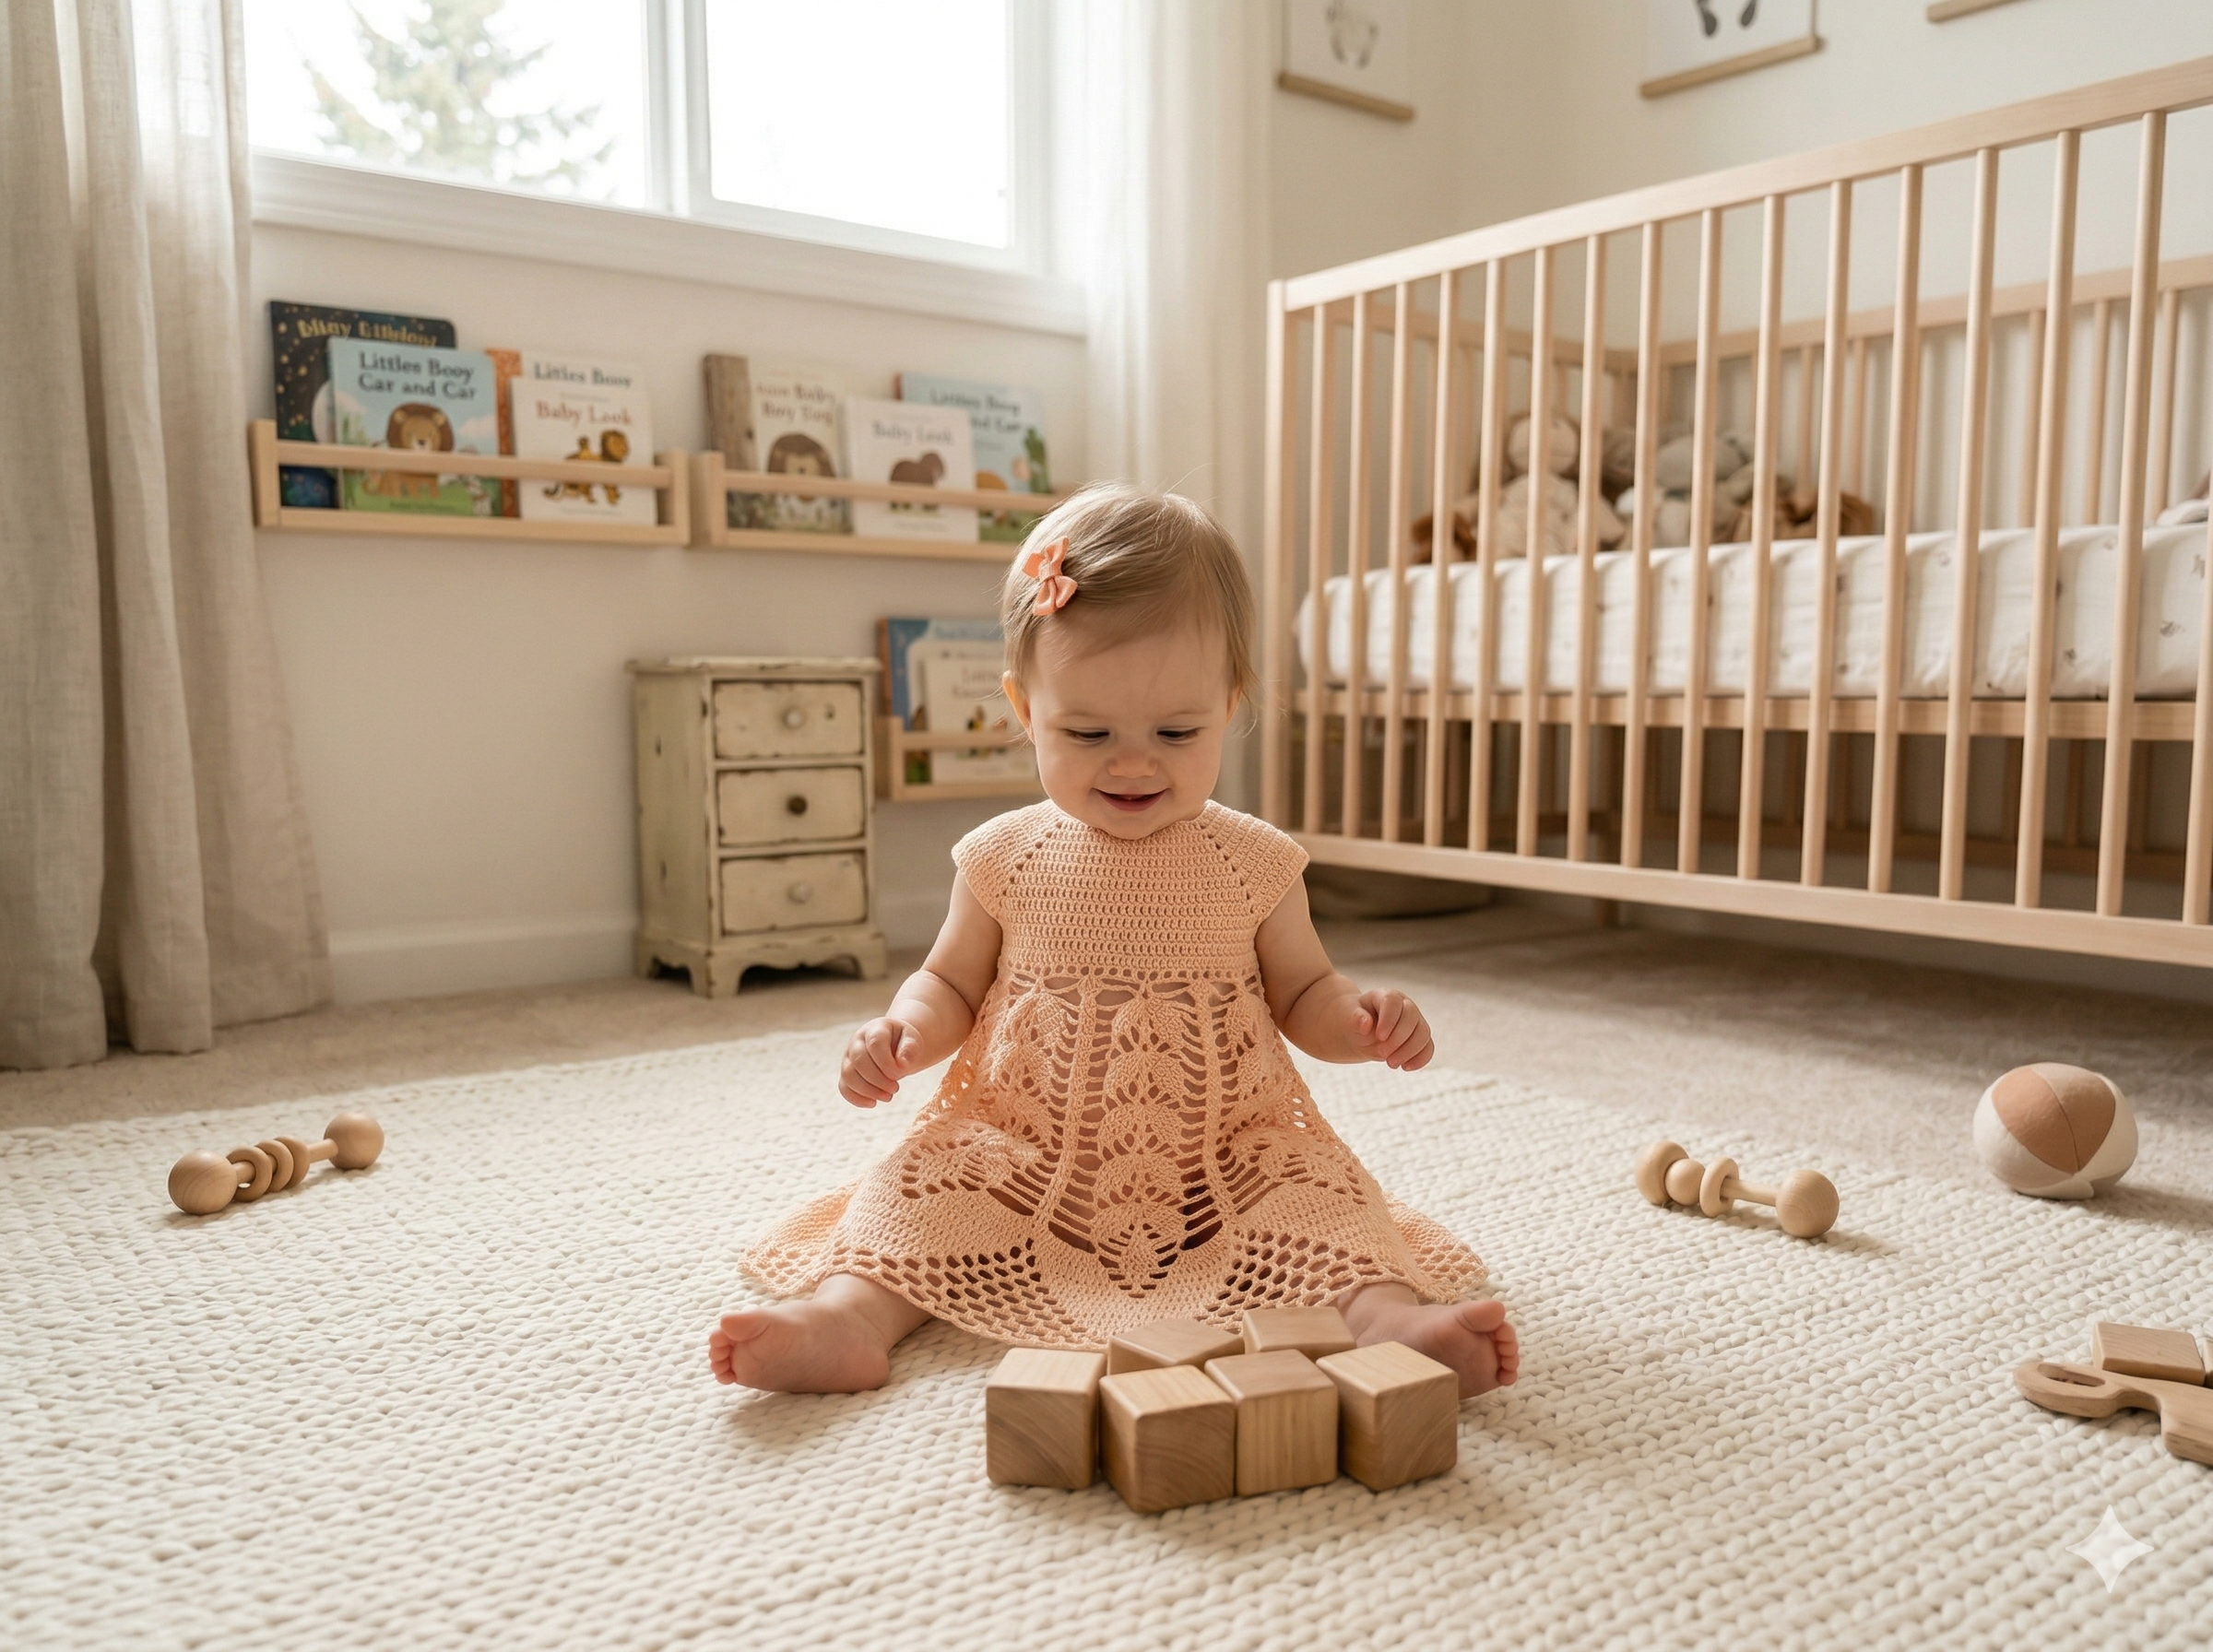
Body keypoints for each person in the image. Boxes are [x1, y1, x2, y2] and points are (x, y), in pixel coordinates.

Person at [714, 486, 1517, 1398]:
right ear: (1024, 706)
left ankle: (1389, 1321)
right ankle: (846, 1318)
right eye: (1087, 732)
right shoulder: (1003, 856)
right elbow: (948, 980)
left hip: (1218, 1166)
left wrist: (1362, 1021)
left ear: (1231, 702)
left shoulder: (1254, 862)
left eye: (1178, 732)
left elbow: (1305, 995)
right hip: (1024, 1157)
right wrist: (902, 1033)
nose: (1133, 761)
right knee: (920, 1185)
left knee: (1320, 1195)